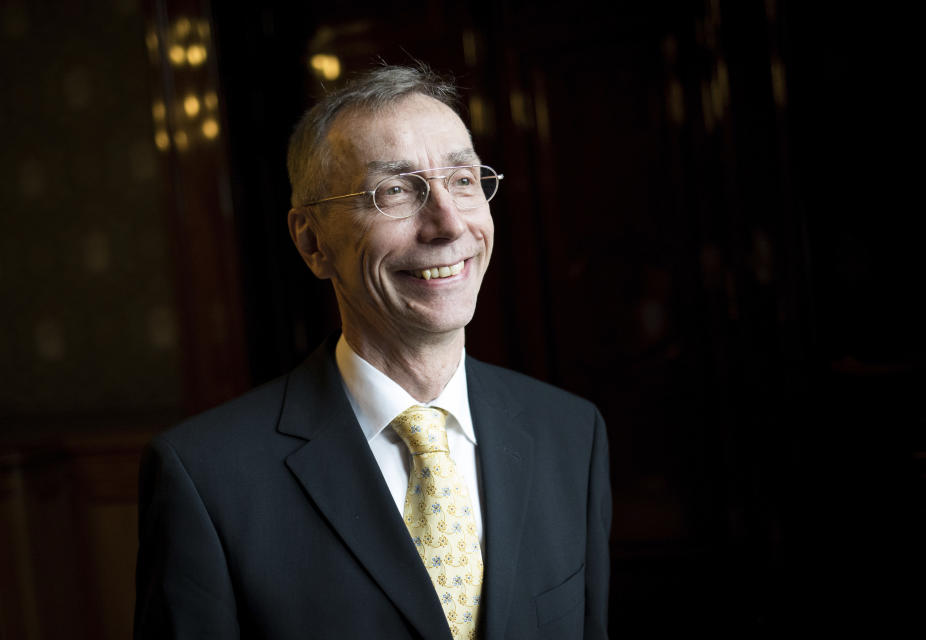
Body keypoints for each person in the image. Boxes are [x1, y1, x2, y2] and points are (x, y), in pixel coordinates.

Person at [134, 64, 611, 640]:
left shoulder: (570, 433)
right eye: (395, 191)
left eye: (463, 179)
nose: (448, 223)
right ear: (312, 242)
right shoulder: (206, 479)